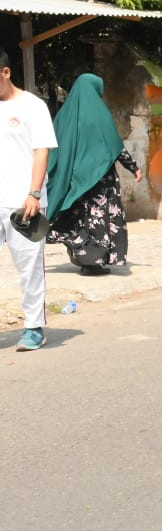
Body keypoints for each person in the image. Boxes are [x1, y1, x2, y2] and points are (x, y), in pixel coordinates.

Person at [44, 74, 142, 276]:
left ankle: (84, 257)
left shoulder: (64, 115)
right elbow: (115, 146)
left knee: (79, 217)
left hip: (75, 181)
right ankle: (93, 262)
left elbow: (53, 148)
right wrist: (133, 167)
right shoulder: (100, 115)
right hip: (100, 180)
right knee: (98, 218)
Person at [0, 49, 57, 352]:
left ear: (5, 73)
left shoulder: (33, 106)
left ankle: (34, 327)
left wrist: (34, 193)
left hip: (24, 201)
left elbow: (41, 150)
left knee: (29, 267)